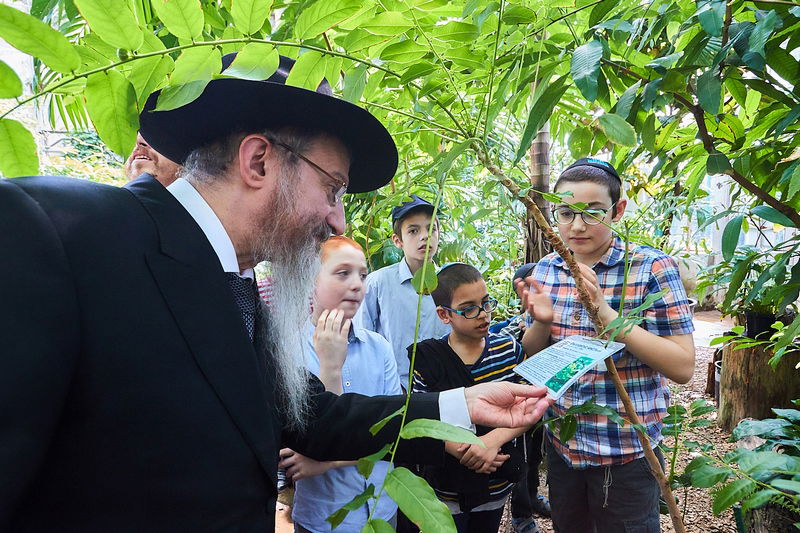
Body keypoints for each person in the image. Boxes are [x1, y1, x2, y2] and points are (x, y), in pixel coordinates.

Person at [0, 52, 553, 532]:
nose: (337, 219)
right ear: (259, 161)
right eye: (333, 188)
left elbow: (306, 415)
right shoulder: (53, 231)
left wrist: (461, 403)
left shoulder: (236, 286)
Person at [519, 158, 696, 533]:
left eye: (592, 212)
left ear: (617, 210)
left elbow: (682, 366)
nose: (577, 225)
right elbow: (534, 351)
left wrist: (604, 311)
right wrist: (542, 321)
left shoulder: (651, 268)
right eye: (565, 213)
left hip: (626, 452)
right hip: (564, 446)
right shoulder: (548, 268)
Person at [279, 236, 401, 532]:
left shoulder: (379, 347)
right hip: (322, 517)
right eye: (343, 273)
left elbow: (394, 434)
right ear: (311, 281)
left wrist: (326, 462)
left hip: (381, 509)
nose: (357, 284)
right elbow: (291, 444)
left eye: (362, 274)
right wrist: (330, 367)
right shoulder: (288, 350)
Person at [412, 263, 531, 533]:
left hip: (497, 479)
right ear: (444, 314)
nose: (483, 315)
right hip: (447, 486)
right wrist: (467, 450)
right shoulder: (428, 361)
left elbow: (529, 406)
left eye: (486, 303)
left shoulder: (508, 350)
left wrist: (492, 442)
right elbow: (420, 420)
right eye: (468, 309)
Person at [355, 195, 450, 388]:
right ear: (398, 241)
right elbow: (362, 338)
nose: (425, 236)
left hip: (442, 388)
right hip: (393, 387)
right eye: (413, 231)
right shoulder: (379, 283)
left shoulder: (450, 282)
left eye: (431, 229)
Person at [502, 263, 550, 533]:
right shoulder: (512, 328)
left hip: (544, 400)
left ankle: (533, 499)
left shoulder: (551, 318)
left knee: (534, 455)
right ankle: (521, 515)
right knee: (521, 456)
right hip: (521, 401)